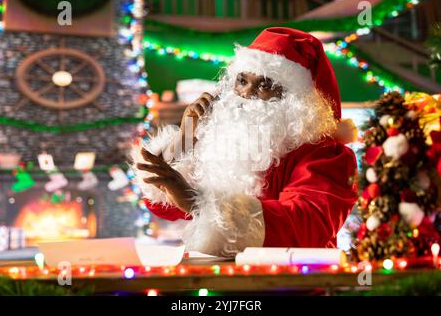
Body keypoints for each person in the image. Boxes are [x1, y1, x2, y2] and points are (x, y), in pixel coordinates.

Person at [131, 27, 358, 257]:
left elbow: (306, 224)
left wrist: (198, 202)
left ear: (296, 99)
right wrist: (185, 137)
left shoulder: (326, 155)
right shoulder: (230, 141)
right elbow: (163, 206)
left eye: (265, 85)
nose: (247, 93)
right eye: (242, 80)